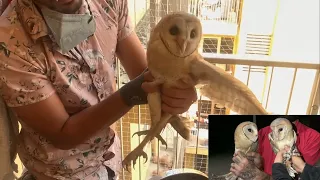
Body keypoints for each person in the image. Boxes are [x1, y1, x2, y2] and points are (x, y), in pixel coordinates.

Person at [0, 0, 198, 179]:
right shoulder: (9, 43)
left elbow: (147, 72)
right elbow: (63, 134)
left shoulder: (110, 3)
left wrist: (177, 89)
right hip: (61, 174)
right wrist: (130, 94)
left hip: (109, 160)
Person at [230, 116, 320, 179]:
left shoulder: (312, 137)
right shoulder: (263, 132)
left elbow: (306, 176)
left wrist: (261, 177)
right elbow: (256, 169)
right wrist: (257, 165)